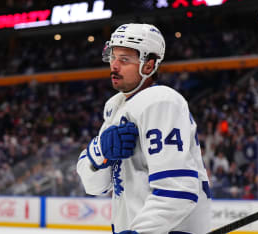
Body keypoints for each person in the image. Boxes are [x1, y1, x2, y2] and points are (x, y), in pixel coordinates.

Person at [76, 23, 211, 234]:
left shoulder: (161, 101)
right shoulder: (115, 106)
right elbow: (94, 187)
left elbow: (178, 189)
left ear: (148, 66)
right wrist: (103, 152)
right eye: (113, 57)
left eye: (125, 59)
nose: (114, 66)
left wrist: (141, 232)